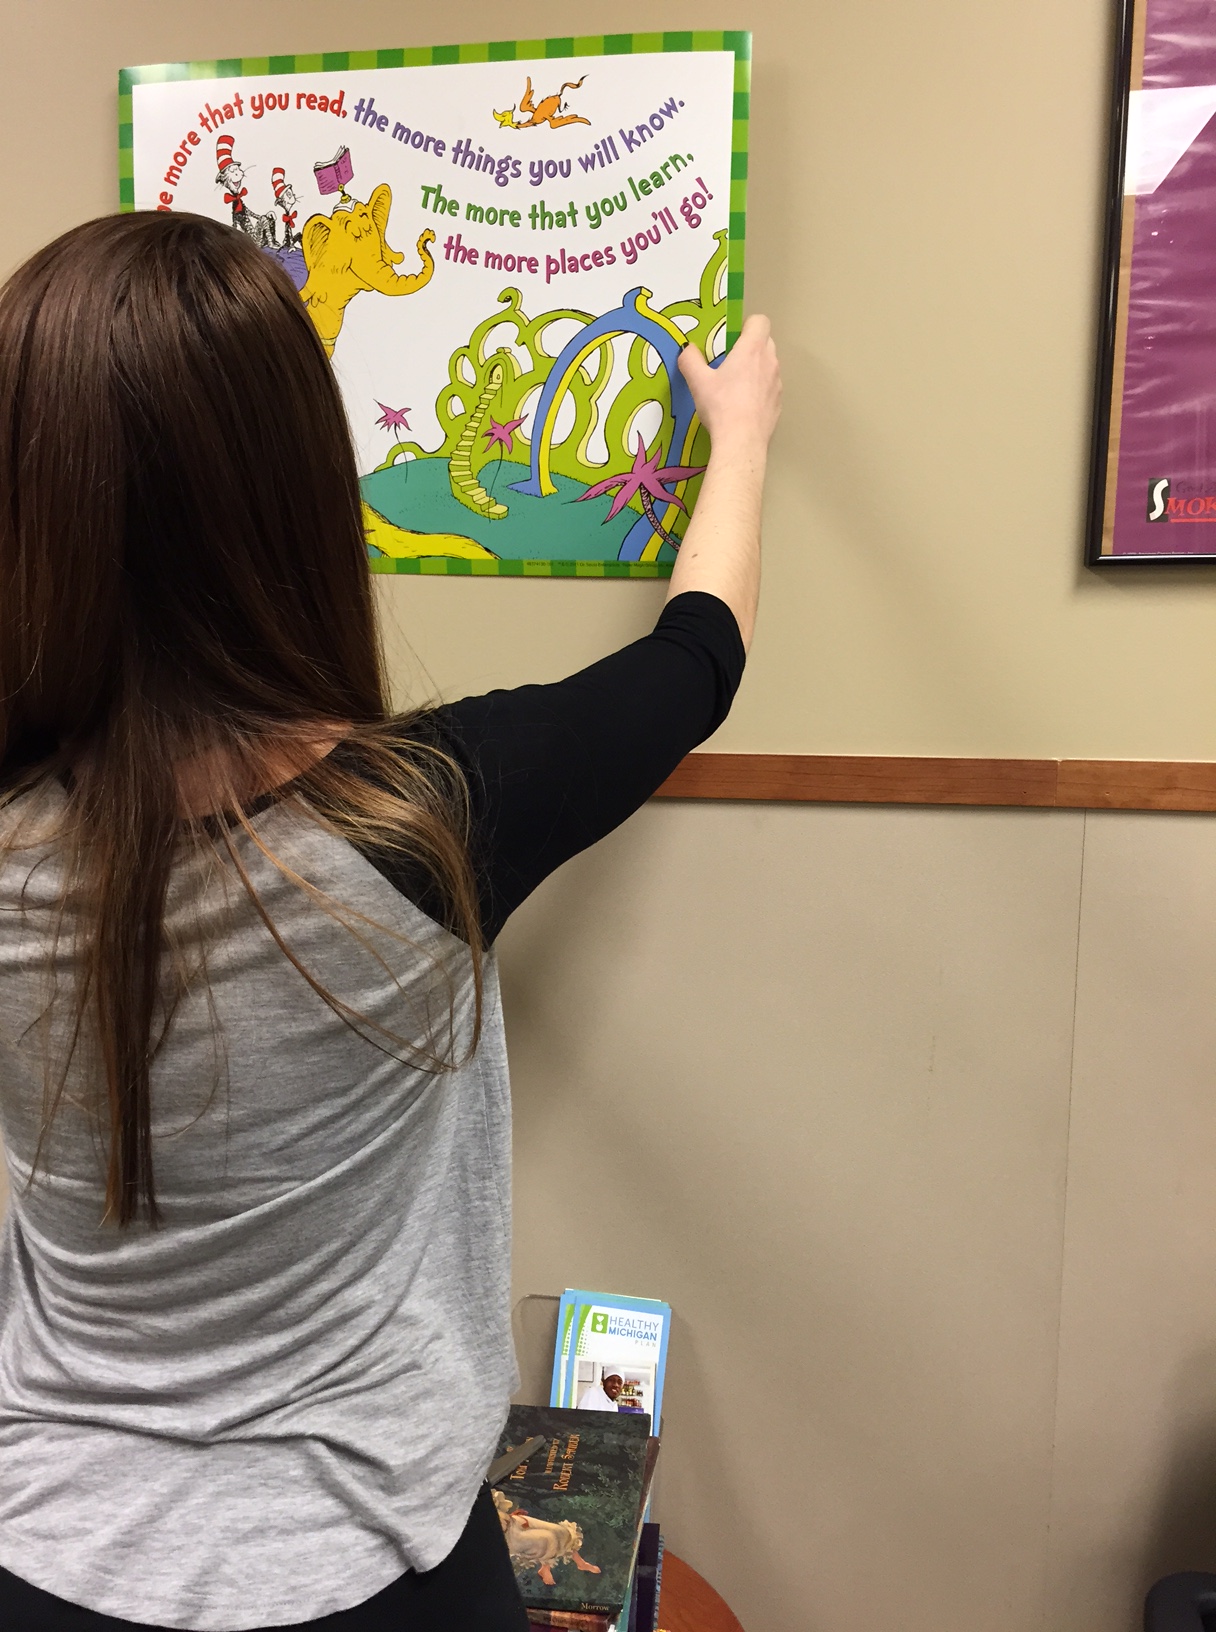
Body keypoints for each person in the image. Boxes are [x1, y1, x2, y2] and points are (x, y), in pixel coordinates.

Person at [0, 212, 781, 1632]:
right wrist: (742, 434)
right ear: (305, 492)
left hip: (42, 1543)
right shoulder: (425, 818)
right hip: (370, 1559)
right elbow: (696, 660)